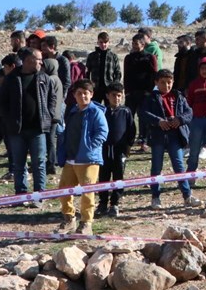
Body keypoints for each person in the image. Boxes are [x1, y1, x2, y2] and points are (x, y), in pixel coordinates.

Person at [0, 47, 58, 205]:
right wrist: (9, 119)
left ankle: (39, 196)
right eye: (38, 59)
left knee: (39, 163)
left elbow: (52, 99)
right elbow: (1, 102)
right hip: (17, 130)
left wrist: (49, 115)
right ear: (27, 61)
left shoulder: (44, 78)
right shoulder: (11, 79)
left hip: (38, 129)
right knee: (18, 164)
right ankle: (20, 196)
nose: (41, 62)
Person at [55, 79, 108, 235]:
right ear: (74, 95)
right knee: (63, 190)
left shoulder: (95, 112)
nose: (83, 96)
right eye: (79, 93)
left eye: (86, 93)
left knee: (87, 192)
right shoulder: (72, 111)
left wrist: (90, 147)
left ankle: (86, 223)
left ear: (91, 94)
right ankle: (69, 219)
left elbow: (102, 132)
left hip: (88, 159)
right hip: (70, 158)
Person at [140, 69, 193, 209]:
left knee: (179, 166)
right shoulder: (151, 97)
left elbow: (189, 112)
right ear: (156, 82)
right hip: (158, 136)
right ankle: (155, 197)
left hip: (175, 136)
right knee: (156, 167)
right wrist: (158, 121)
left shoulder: (179, 96)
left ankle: (187, 196)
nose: (166, 86)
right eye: (162, 83)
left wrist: (179, 120)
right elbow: (143, 113)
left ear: (173, 82)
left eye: (169, 82)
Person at [97, 83, 136, 217]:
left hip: (120, 151)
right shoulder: (102, 111)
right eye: (113, 95)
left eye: (119, 95)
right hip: (104, 150)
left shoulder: (126, 111)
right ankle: (102, 203)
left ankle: (115, 203)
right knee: (103, 176)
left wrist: (127, 147)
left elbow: (131, 130)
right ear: (107, 96)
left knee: (118, 177)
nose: (117, 98)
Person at [124, 32, 158, 150]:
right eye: (133, 43)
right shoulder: (128, 58)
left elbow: (154, 74)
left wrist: (149, 90)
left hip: (145, 92)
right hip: (131, 92)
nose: (134, 45)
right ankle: (128, 141)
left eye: (136, 43)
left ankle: (144, 141)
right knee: (129, 117)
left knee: (144, 117)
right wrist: (127, 91)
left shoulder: (150, 57)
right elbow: (126, 75)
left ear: (143, 44)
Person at [86, 31, 122, 103]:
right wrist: (89, 84)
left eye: (105, 42)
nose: (103, 44)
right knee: (95, 108)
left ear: (109, 42)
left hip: (109, 88)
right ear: (98, 42)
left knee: (110, 109)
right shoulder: (92, 56)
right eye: (101, 42)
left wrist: (115, 85)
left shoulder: (113, 56)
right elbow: (87, 71)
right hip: (95, 88)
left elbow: (118, 72)